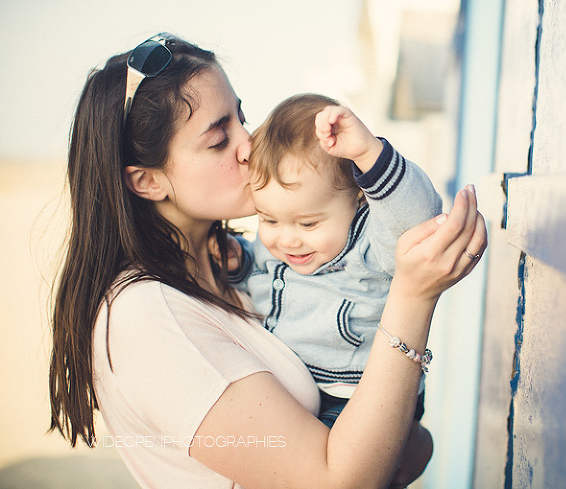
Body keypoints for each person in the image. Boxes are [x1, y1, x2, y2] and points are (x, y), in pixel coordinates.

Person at [48, 32, 486, 488]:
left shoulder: (241, 271)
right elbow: (338, 482)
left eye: (242, 119)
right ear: (147, 182)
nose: (249, 144)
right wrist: (413, 297)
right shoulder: (145, 317)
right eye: (219, 139)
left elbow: (411, 449)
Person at [228, 93, 442, 433]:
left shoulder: (372, 243)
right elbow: (257, 279)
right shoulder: (274, 248)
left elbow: (419, 219)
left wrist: (369, 154)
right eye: (268, 220)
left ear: (357, 199)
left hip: (357, 396)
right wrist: (237, 263)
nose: (286, 240)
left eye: (308, 224)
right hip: (299, 392)